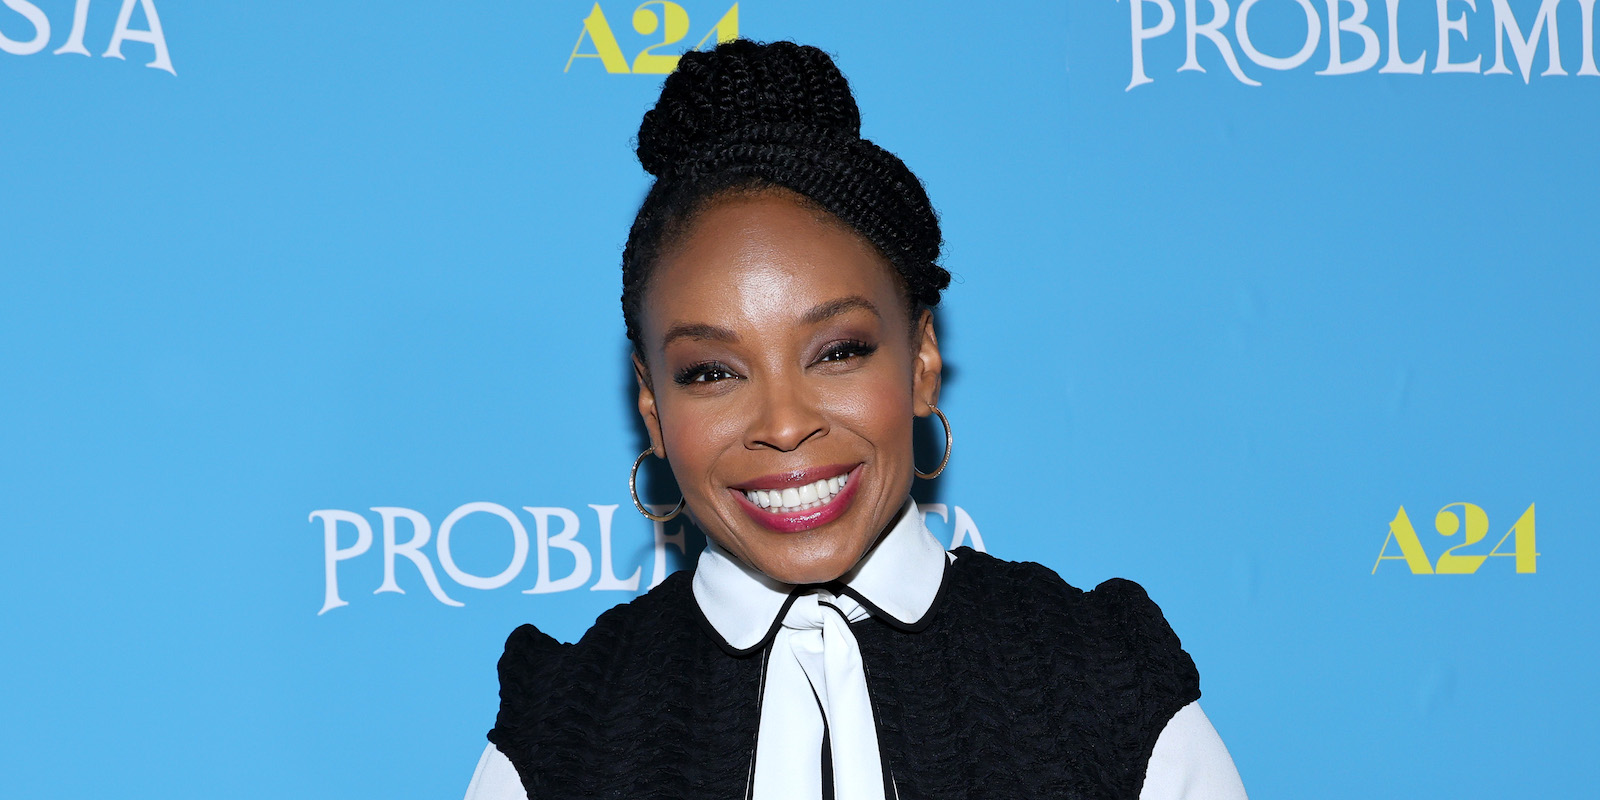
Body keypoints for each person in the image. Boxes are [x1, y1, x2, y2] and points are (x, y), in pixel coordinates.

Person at [464, 39, 1247, 800]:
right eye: (712, 371)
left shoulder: (1102, 681)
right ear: (652, 408)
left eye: (837, 352)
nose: (783, 422)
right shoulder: (562, 732)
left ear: (921, 360)